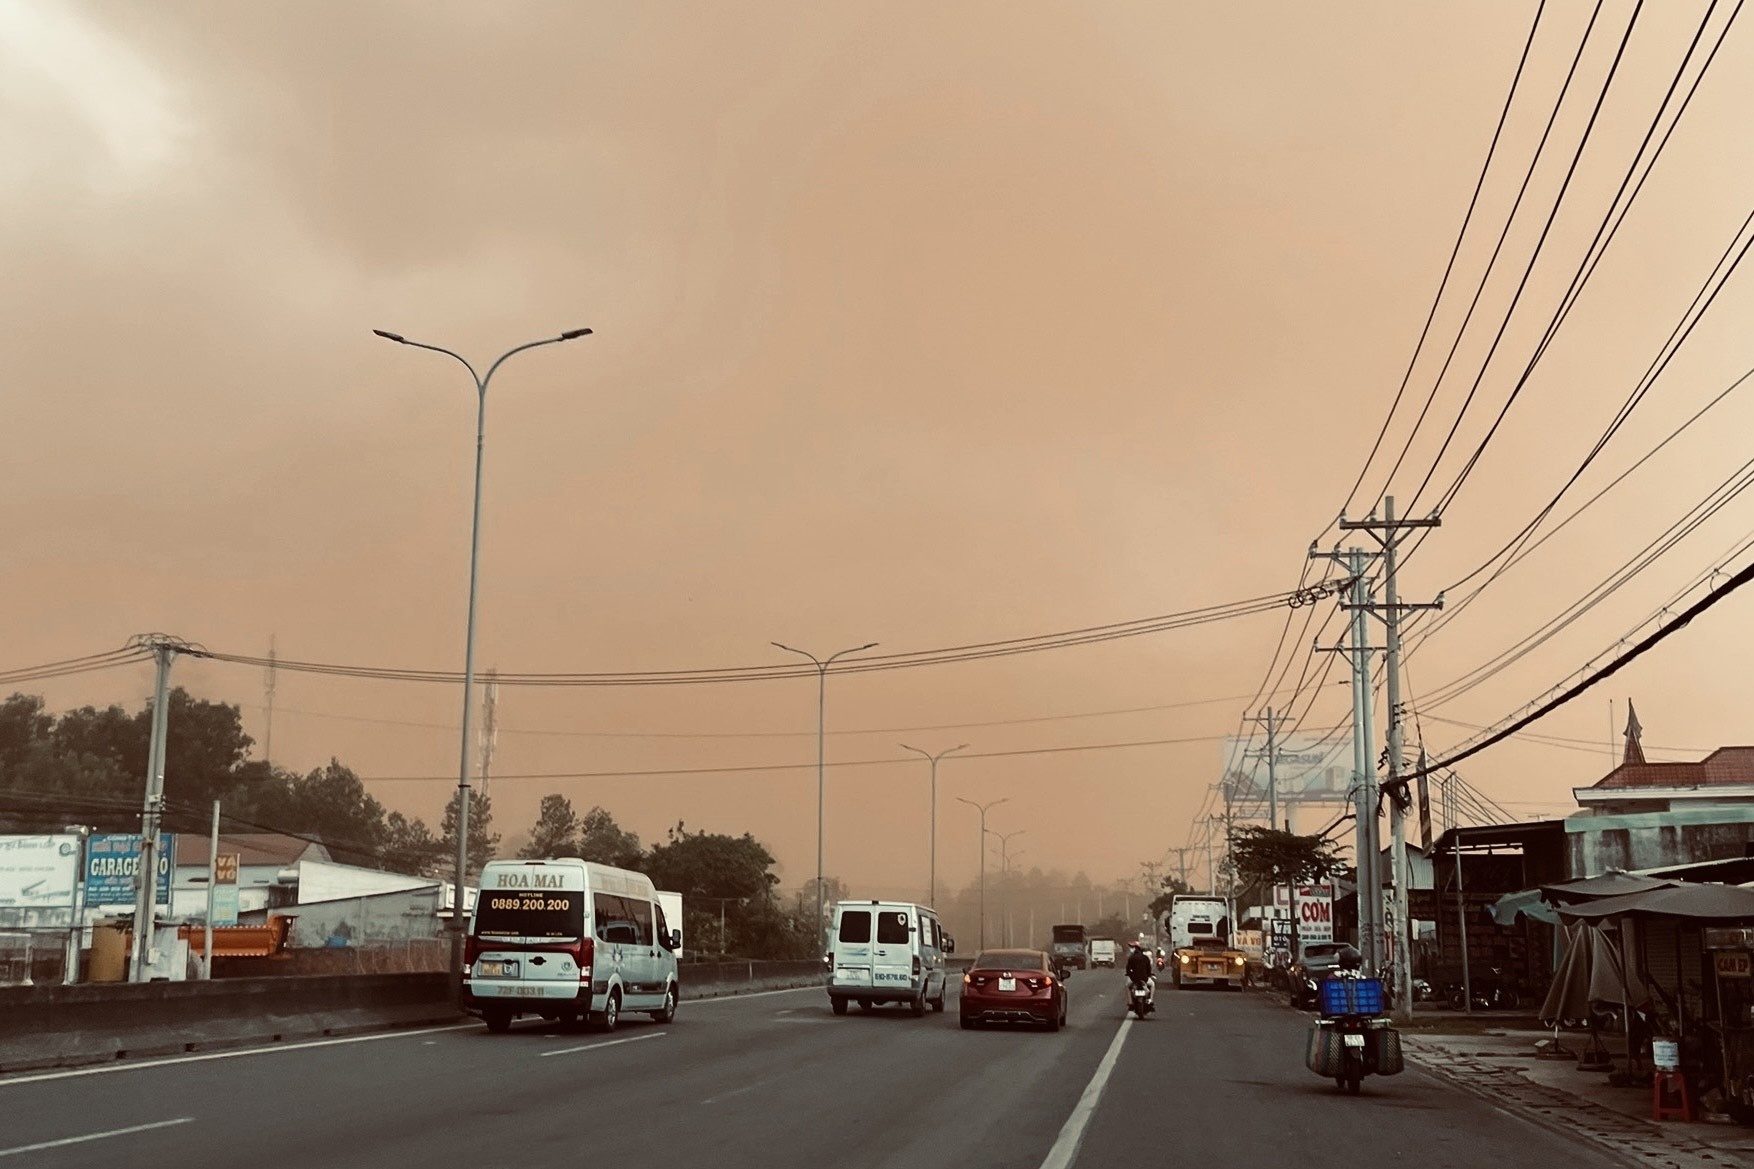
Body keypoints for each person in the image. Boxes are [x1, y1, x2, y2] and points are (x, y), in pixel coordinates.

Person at [1125, 940, 1156, 1010]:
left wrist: (1130, 975)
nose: (1131, 949)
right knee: (1152, 985)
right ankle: (1150, 1000)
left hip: (1134, 979)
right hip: (1145, 979)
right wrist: (1148, 975)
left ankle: (1130, 1003)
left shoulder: (1131, 958)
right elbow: (1149, 969)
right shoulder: (1145, 958)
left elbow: (1128, 969)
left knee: (1127, 986)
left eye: (1133, 947)